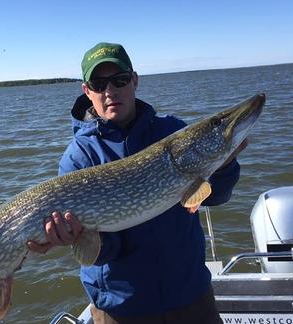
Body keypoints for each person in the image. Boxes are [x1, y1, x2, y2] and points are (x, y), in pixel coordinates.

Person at [27, 42, 247, 323]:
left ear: (134, 81)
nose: (110, 91)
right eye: (99, 83)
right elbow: (99, 249)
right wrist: (71, 235)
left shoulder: (172, 131)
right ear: (87, 91)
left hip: (191, 295)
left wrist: (225, 164)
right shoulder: (80, 157)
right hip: (122, 309)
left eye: (119, 80)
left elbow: (216, 196)